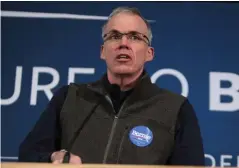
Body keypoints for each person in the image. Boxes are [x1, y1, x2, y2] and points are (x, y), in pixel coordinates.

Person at [18, 6, 205, 165]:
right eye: (114, 36)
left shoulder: (176, 109)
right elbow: (28, 154)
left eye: (134, 37)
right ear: (102, 51)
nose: (123, 44)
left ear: (149, 53)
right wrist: (52, 157)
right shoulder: (70, 97)